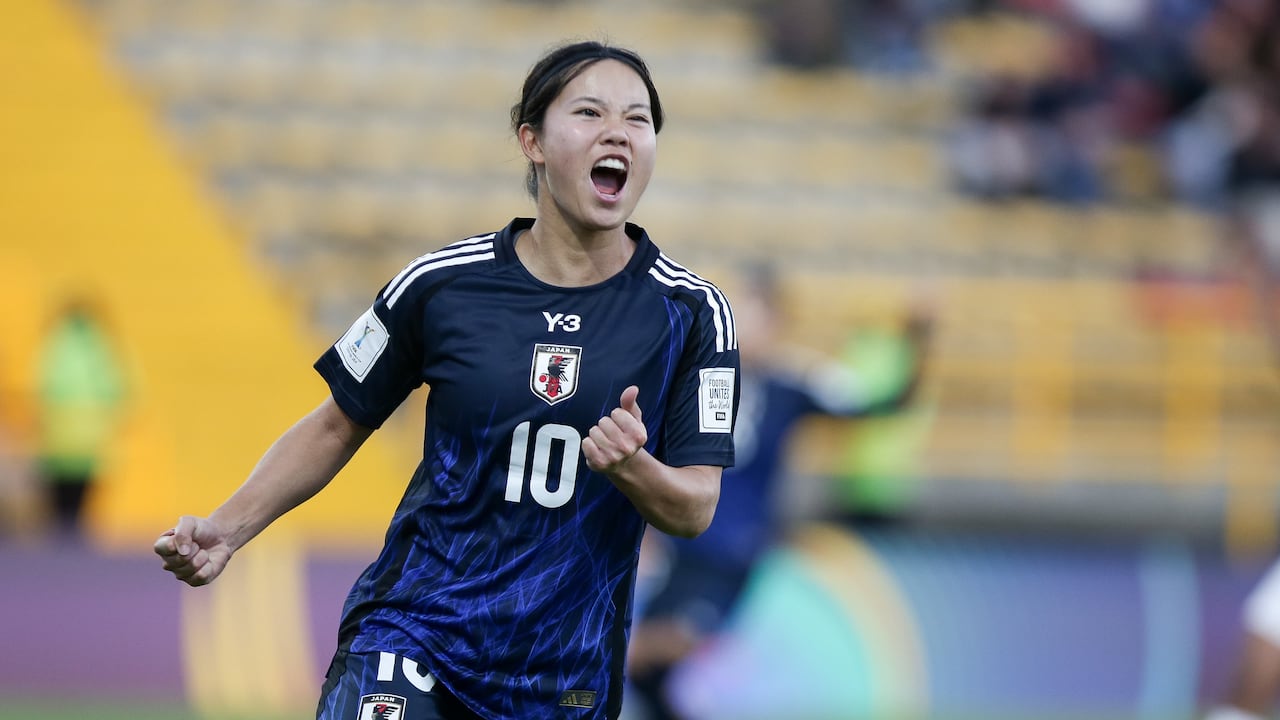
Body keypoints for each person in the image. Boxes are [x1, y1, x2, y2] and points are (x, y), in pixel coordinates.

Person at [154, 40, 740, 720]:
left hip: (563, 674)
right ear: (533, 140)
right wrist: (227, 530)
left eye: (638, 120)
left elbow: (695, 507)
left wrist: (634, 467)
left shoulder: (691, 313)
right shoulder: (441, 285)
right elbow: (337, 422)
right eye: (589, 113)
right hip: (414, 635)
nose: (618, 132)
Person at [625, 265, 930, 720]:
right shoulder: (697, 380)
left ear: (777, 322)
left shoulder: (795, 384)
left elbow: (888, 403)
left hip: (730, 558)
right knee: (645, 678)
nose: (743, 325)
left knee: (640, 653)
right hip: (682, 553)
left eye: (755, 313)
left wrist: (920, 334)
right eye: (738, 312)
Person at [35, 295, 129, 541]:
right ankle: (74, 547)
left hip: (58, 441)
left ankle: (60, 549)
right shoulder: (102, 344)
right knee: (81, 507)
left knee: (59, 509)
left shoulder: (55, 342)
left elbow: (42, 388)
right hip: (92, 442)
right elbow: (119, 391)